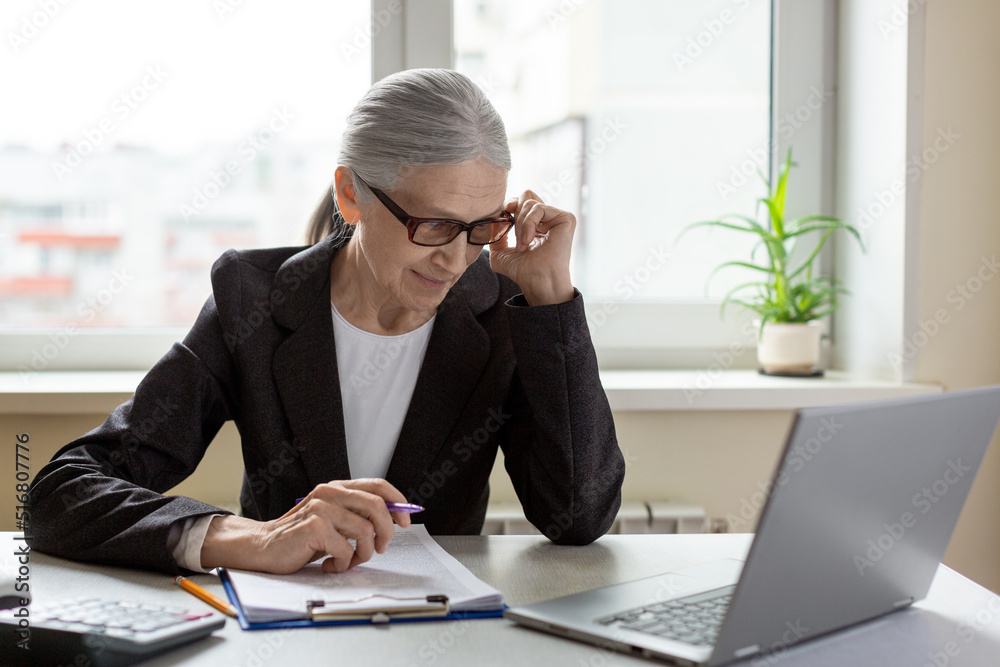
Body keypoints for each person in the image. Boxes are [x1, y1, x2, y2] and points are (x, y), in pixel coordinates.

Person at [27, 69, 625, 576]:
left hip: (443, 635)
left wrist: (550, 301)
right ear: (351, 195)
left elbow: (579, 516)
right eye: (435, 225)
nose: (456, 259)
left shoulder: (504, 313)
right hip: (283, 631)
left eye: (480, 228)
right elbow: (60, 493)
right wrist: (252, 540)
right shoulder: (251, 303)